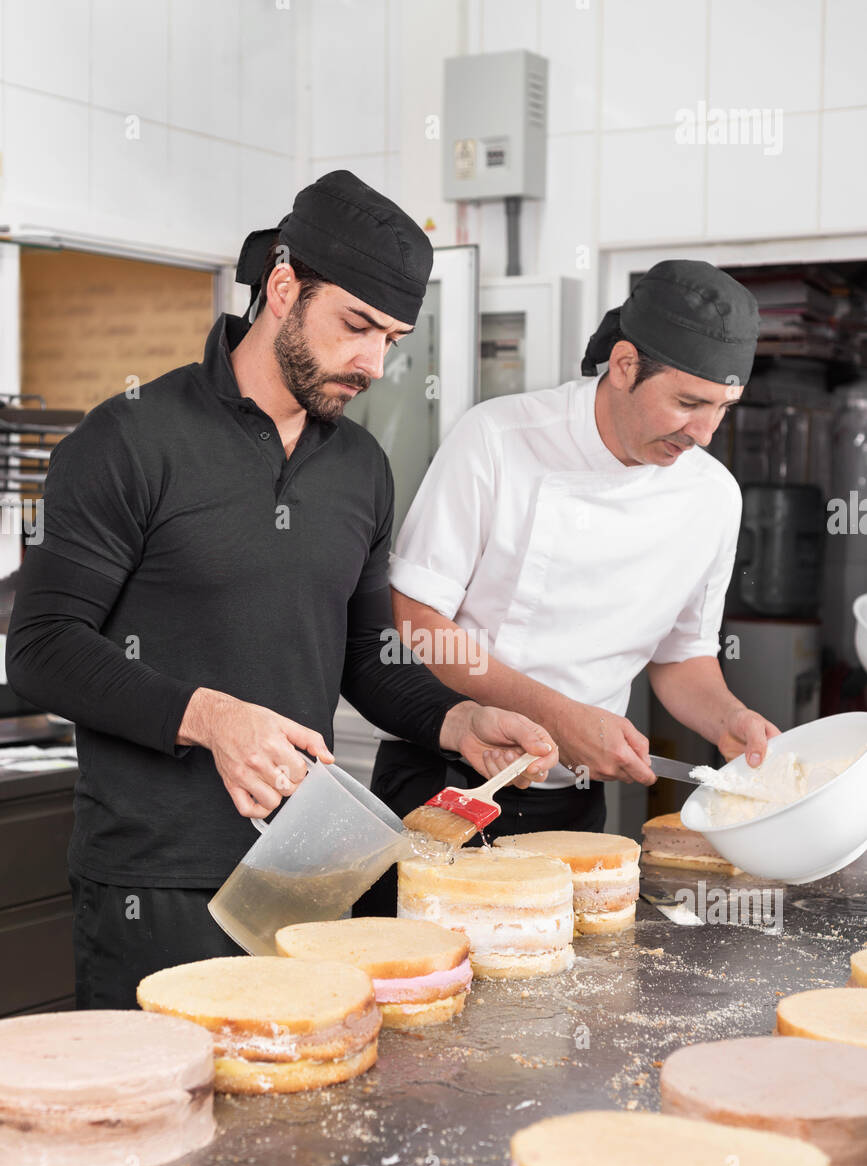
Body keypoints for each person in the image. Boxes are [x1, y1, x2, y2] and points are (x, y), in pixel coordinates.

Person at [5, 170, 558, 1009]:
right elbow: (41, 647)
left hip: (306, 875)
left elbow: (367, 662)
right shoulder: (130, 438)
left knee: (296, 1123)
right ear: (284, 286)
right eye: (356, 326)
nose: (372, 362)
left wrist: (459, 718)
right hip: (156, 882)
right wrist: (208, 716)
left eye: (391, 339)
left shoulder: (361, 468)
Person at [359, 260, 780, 912]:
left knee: (553, 1001)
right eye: (687, 403)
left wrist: (727, 719)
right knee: (418, 988)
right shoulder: (498, 438)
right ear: (622, 365)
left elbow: (681, 658)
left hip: (575, 808)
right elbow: (416, 623)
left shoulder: (712, 497)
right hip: (446, 782)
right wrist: (559, 717)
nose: (702, 435)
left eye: (721, 409)